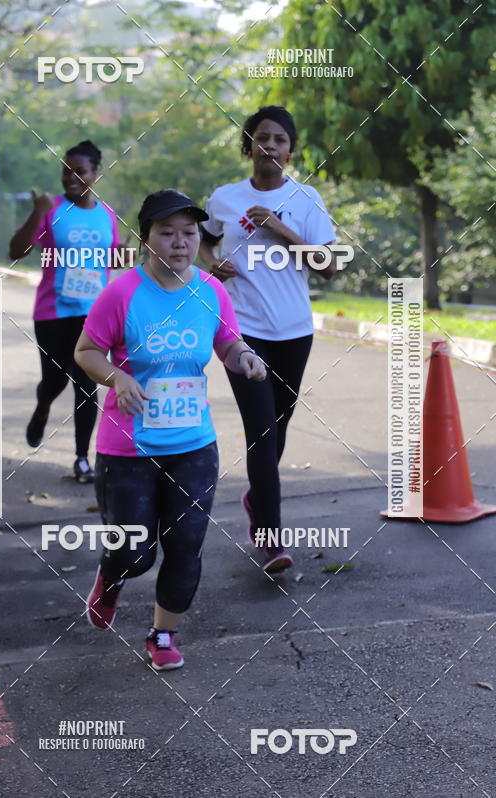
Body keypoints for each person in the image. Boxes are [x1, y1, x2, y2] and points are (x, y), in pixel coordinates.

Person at [74, 189, 266, 670]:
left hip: (193, 444)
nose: (181, 242)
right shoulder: (121, 293)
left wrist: (244, 356)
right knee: (134, 552)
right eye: (167, 232)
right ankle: (112, 577)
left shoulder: (211, 290)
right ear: (145, 239)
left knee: (185, 546)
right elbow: (86, 351)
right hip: (128, 448)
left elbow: (227, 342)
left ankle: (163, 634)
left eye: (189, 232)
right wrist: (117, 378)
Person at [199, 106, 336, 573]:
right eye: (262, 138)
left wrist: (279, 227)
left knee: (277, 428)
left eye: (280, 139)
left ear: (290, 151)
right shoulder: (224, 198)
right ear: (249, 147)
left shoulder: (306, 199)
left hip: (295, 332)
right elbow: (204, 239)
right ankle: (271, 539)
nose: (270, 146)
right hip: (243, 332)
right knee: (261, 430)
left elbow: (328, 265)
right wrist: (210, 263)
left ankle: (258, 499)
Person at [9, 140, 120, 483]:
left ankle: (82, 459)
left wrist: (129, 254)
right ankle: (43, 407)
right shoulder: (50, 209)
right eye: (66, 171)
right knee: (55, 380)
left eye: (79, 171)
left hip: (94, 315)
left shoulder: (107, 215)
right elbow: (16, 251)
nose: (71, 177)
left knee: (87, 383)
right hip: (53, 314)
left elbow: (113, 259)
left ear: (96, 174)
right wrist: (36, 212)